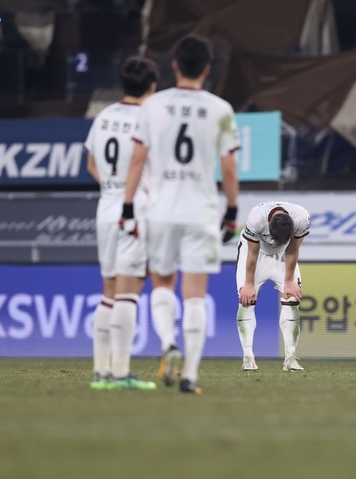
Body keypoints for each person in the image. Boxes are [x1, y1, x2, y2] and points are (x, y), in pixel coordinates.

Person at [122, 34, 240, 395]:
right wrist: (232, 210)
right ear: (207, 69)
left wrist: (127, 205)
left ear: (174, 65)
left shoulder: (152, 106)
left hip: (160, 210)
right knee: (195, 294)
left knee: (161, 283)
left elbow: (138, 160)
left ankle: (167, 343)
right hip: (201, 211)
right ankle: (190, 375)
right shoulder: (221, 110)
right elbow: (229, 167)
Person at [85, 56, 159, 391]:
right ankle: (119, 373)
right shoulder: (150, 119)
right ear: (152, 86)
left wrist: (110, 188)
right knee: (129, 293)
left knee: (109, 293)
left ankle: (100, 372)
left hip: (106, 207)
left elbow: (89, 162)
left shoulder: (103, 116)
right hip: (134, 209)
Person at [237, 201, 310, 372]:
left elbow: (292, 250)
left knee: (292, 298)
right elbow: (252, 253)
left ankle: (290, 358)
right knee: (246, 300)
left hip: (283, 256)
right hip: (256, 254)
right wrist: (248, 284)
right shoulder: (256, 219)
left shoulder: (302, 217)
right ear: (268, 227)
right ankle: (248, 357)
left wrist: (289, 281)